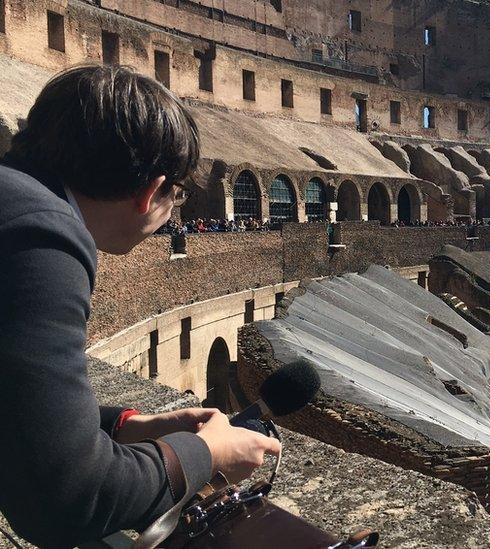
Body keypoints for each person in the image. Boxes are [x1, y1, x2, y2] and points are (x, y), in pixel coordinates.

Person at [0, 64, 281, 548]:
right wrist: (205, 454)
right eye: (177, 194)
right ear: (152, 191)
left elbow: (16, 405)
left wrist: (127, 427)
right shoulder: (43, 236)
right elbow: (67, 500)